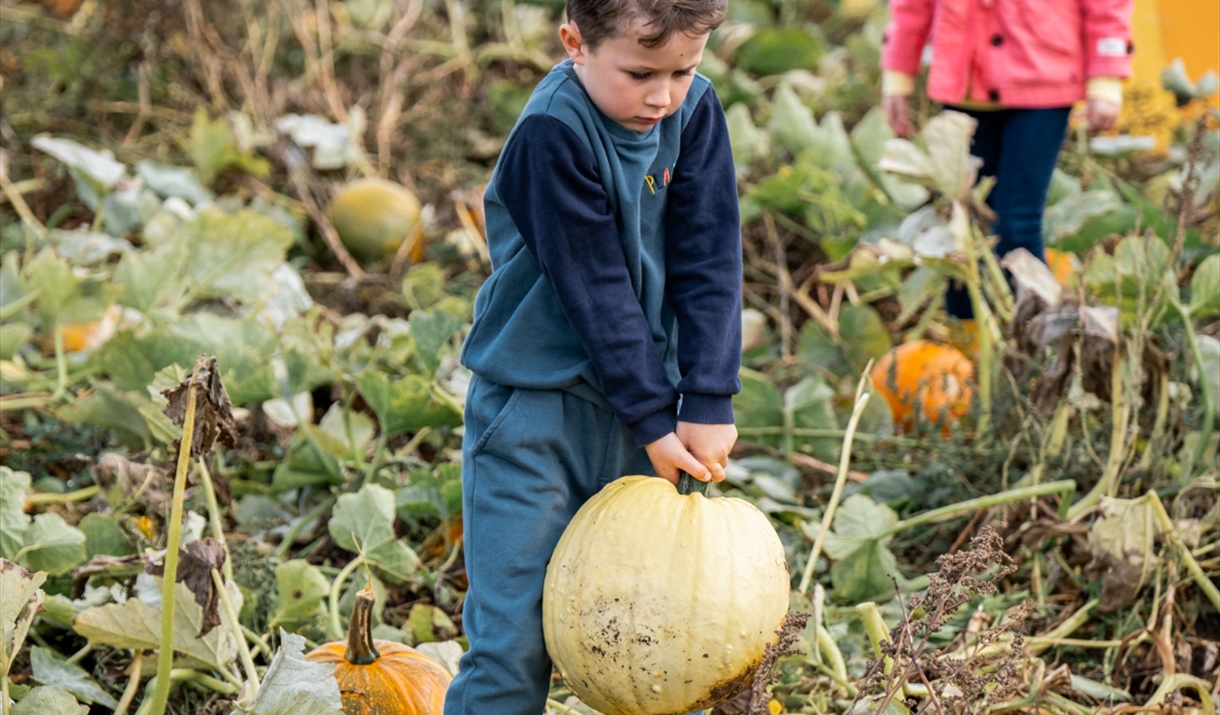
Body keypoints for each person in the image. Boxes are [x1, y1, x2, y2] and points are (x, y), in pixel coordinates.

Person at [445, 0, 743, 710]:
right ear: (574, 43)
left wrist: (707, 397)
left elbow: (710, 256)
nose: (661, 96)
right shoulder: (552, 135)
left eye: (683, 70)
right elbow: (596, 287)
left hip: (640, 416)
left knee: (651, 643)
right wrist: (654, 412)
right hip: (534, 412)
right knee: (512, 647)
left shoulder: (693, 114)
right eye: (640, 72)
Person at [880, 0, 1132, 318]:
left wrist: (1106, 78)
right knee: (962, 224)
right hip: (966, 84)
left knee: (1017, 221)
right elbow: (912, 6)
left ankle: (1032, 339)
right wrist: (897, 75)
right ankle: (968, 337)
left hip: (1043, 81)